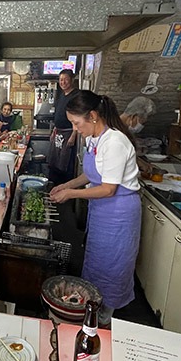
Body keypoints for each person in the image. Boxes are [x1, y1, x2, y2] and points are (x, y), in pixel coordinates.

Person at [49, 91, 140, 327]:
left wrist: (71, 194)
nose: (75, 128)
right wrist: (67, 185)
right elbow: (91, 175)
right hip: (102, 210)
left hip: (118, 212)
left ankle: (104, 319)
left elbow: (108, 188)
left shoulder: (115, 142)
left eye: (76, 123)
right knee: (97, 259)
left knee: (113, 263)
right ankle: (93, 308)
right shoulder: (94, 139)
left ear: (92, 116)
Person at [48, 68, 80, 184]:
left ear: (72, 80)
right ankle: (54, 186)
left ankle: (65, 187)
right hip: (58, 132)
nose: (63, 82)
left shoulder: (76, 95)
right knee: (54, 161)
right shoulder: (61, 95)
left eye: (66, 79)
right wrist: (54, 130)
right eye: (61, 80)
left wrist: (74, 134)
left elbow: (78, 116)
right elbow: (58, 113)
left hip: (69, 133)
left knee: (65, 162)